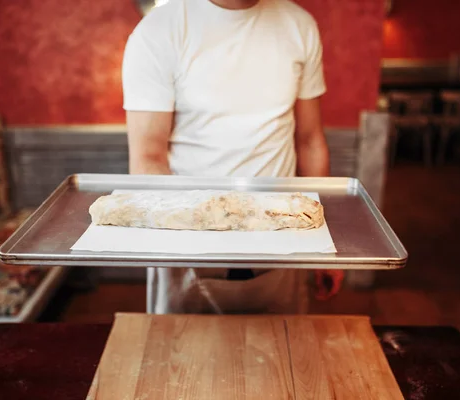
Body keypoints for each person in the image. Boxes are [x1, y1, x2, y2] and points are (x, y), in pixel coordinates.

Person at [122, 0, 342, 314]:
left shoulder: (299, 24)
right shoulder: (158, 31)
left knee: (280, 354)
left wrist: (324, 245)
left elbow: (310, 141)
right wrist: (186, 243)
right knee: (182, 358)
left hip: (281, 240)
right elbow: (147, 157)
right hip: (188, 249)